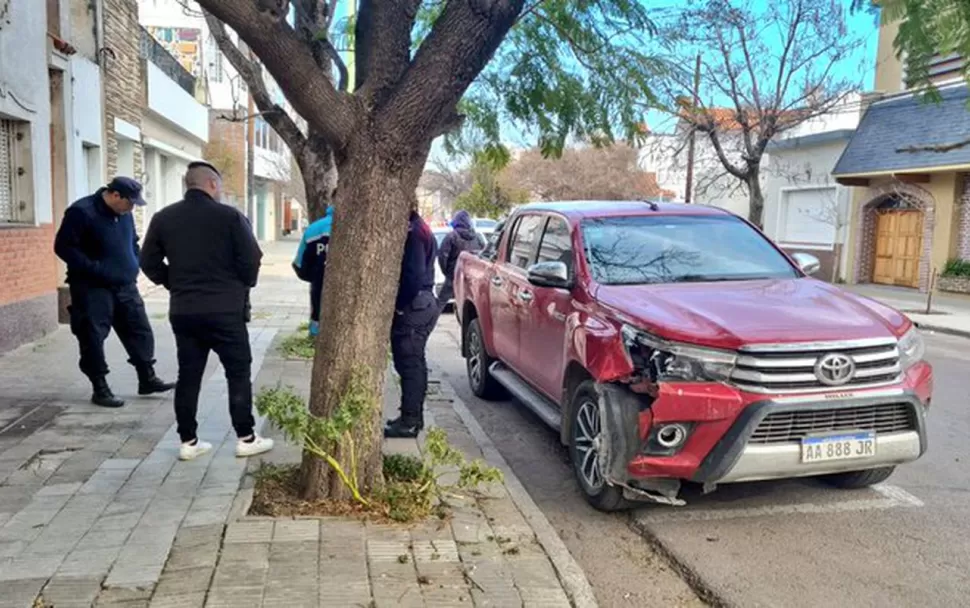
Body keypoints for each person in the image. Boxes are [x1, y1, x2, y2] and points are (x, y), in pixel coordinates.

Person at [139, 161, 273, 461]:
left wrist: (173, 282)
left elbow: (147, 262)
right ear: (212, 184)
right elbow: (251, 259)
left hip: (185, 310)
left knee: (189, 375)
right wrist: (242, 284)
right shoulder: (230, 217)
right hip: (226, 310)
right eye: (220, 186)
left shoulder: (163, 218)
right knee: (237, 372)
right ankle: (246, 437)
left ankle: (188, 441)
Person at [54, 177, 175, 408]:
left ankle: (147, 378)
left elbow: (133, 242)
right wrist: (94, 268)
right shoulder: (82, 212)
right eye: (130, 202)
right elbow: (63, 247)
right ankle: (100, 388)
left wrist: (134, 263)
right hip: (92, 287)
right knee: (92, 335)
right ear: (115, 195)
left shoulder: (124, 213)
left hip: (125, 285)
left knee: (139, 329)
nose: (132, 208)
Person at [385, 210, 440, 439]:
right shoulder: (420, 227)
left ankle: (409, 421)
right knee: (412, 364)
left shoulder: (414, 232)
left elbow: (413, 275)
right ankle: (413, 418)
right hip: (421, 303)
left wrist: (399, 305)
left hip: (415, 305)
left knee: (410, 365)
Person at [292, 205, 334, 337]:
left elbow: (299, 265)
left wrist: (317, 276)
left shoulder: (313, 229)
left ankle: (315, 336)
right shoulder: (360, 229)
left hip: (319, 294)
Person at [435, 210, 486, 308]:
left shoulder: (451, 237)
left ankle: (432, 317)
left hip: (454, 273)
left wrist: (447, 272)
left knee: (441, 302)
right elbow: (483, 256)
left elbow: (442, 257)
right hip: (472, 276)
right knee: (472, 303)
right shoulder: (477, 237)